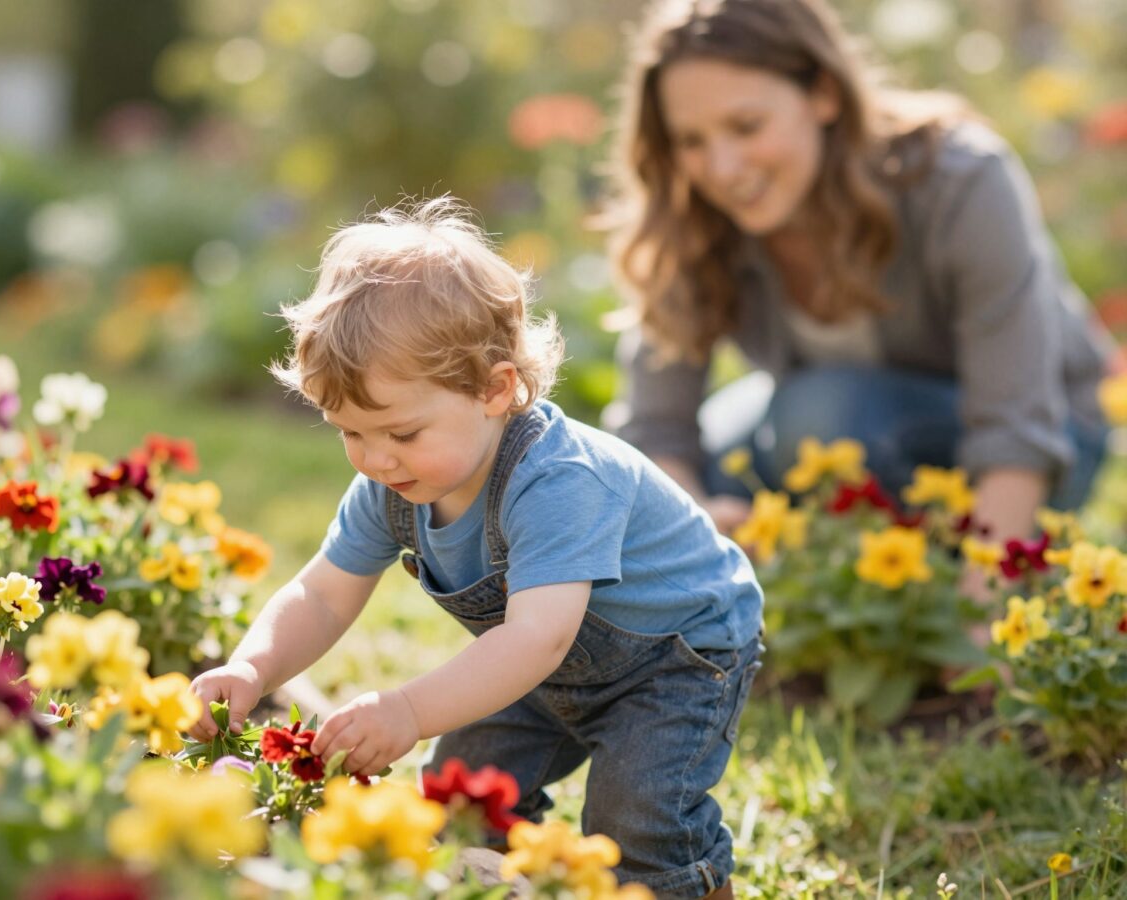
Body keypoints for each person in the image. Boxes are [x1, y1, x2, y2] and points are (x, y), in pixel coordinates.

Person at [189, 198, 764, 900]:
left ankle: (683, 889)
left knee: (637, 818)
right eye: (350, 432)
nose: (374, 458)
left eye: (401, 434)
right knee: (462, 792)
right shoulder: (391, 486)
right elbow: (320, 593)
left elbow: (538, 640)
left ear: (496, 390)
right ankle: (497, 880)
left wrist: (404, 710)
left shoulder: (557, 482)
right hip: (550, 662)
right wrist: (252, 665)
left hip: (676, 654)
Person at [603, 0, 1115, 548]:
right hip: (846, 420)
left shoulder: (961, 181)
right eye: (691, 142)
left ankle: (920, 579)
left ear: (824, 93)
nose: (723, 169)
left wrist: (982, 599)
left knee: (818, 417)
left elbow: (1018, 427)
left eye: (746, 126)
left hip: (1041, 442)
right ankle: (841, 585)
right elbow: (655, 433)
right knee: (699, 471)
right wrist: (698, 521)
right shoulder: (696, 218)